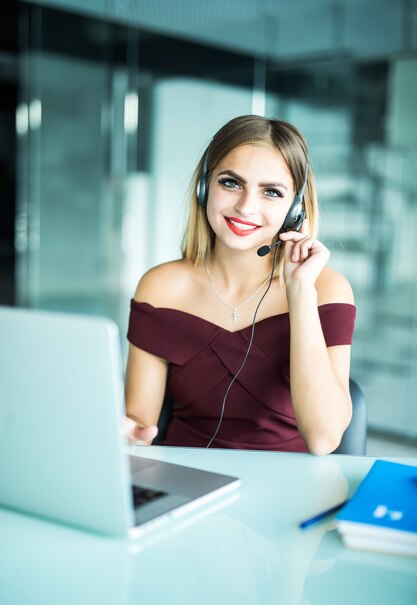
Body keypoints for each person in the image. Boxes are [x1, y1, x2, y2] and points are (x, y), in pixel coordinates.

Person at [124, 114, 356, 454]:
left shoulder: (327, 289)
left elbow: (323, 439)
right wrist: (124, 432)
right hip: (183, 485)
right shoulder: (161, 287)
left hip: (290, 492)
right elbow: (138, 425)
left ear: (295, 210)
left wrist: (301, 292)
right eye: (231, 183)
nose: (246, 207)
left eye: (271, 192)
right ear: (205, 187)